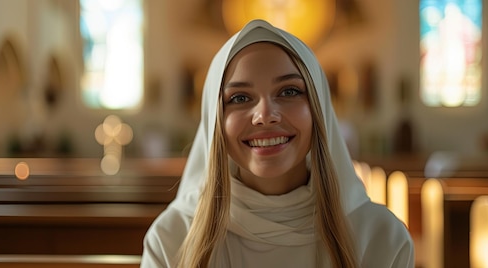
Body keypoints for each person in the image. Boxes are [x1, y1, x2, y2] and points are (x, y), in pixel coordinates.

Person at [141, 19, 414, 268]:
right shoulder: (173, 237)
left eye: (289, 91)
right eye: (239, 98)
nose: (265, 116)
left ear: (318, 110)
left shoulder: (380, 237)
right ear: (215, 122)